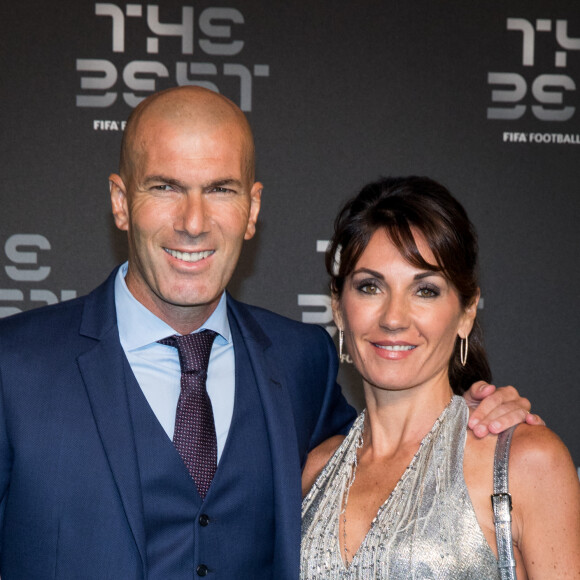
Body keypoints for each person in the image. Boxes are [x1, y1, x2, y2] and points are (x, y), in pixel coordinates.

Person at [0, 88, 537, 580]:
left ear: (251, 209)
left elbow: (399, 456)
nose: (193, 221)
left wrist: (479, 408)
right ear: (121, 201)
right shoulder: (14, 365)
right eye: (165, 187)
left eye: (220, 190)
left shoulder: (301, 361)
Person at [301, 176, 580, 578]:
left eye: (425, 290)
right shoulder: (312, 471)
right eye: (370, 287)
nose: (393, 318)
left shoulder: (526, 462)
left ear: (466, 313)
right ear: (339, 308)